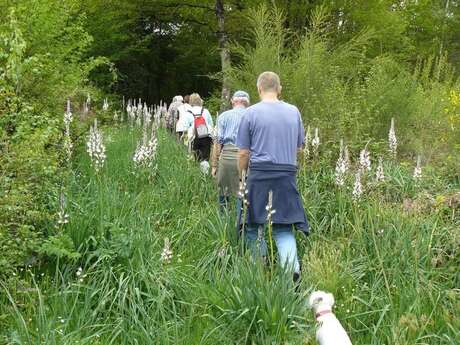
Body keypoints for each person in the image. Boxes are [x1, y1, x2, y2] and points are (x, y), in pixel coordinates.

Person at [236, 71, 309, 282]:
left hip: (259, 174)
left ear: (259, 89)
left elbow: (243, 153)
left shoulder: (250, 113)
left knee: (253, 225)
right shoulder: (294, 111)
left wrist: (243, 176)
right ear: (279, 88)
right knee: (283, 227)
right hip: (287, 174)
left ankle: (261, 270)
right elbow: (300, 148)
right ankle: (292, 271)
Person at [211, 90, 250, 211]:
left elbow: (217, 143)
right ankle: (240, 225)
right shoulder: (252, 115)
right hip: (247, 158)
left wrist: (214, 165)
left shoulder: (223, 116)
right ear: (247, 103)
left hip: (226, 157)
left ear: (233, 101)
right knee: (242, 192)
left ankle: (223, 222)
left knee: (223, 192)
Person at [186, 93, 214, 162]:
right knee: (205, 158)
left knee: (195, 158)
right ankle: (204, 171)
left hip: (194, 137)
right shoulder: (205, 111)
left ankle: (196, 170)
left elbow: (186, 126)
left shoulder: (189, 112)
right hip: (206, 136)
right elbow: (211, 124)